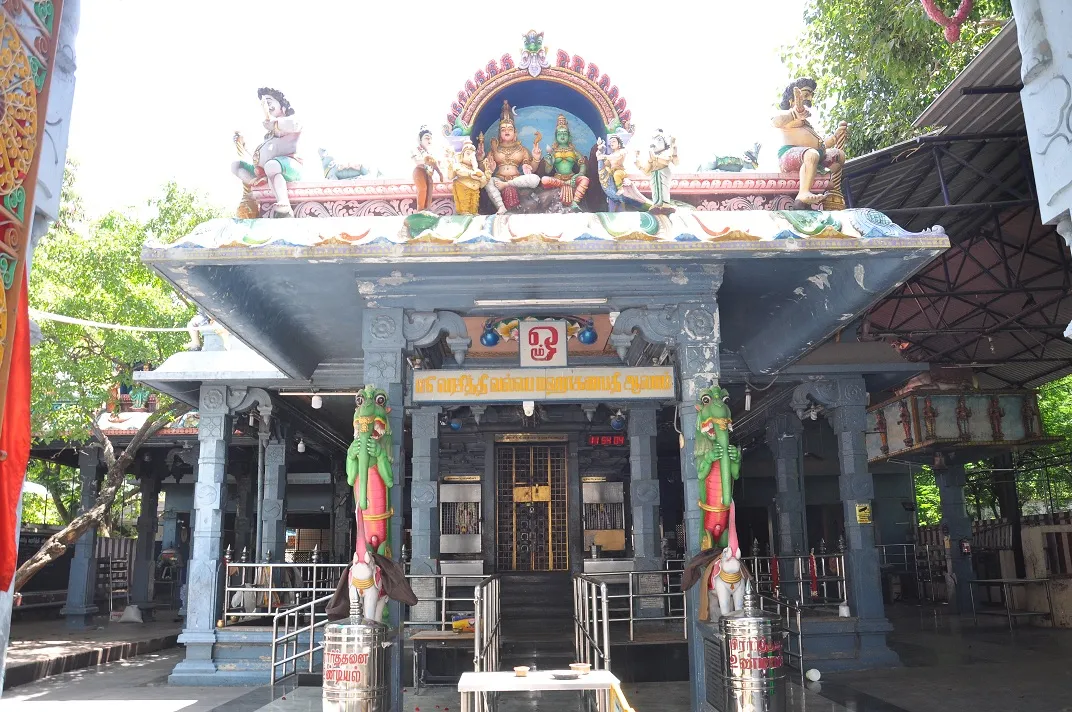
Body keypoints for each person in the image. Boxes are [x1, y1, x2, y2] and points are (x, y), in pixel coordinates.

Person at [771, 77, 847, 206]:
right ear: (791, 101)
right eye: (805, 95)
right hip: (790, 156)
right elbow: (776, 122)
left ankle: (824, 185)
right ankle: (803, 193)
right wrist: (794, 114)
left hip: (812, 157)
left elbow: (821, 145)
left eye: (810, 96)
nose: (809, 99)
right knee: (811, 154)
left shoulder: (806, 124)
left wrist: (835, 137)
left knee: (838, 154)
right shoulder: (789, 118)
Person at [231, 88, 303, 218]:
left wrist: (273, 123)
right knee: (236, 166)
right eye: (264, 103)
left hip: (290, 166)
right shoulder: (269, 135)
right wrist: (243, 145)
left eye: (269, 101)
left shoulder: (292, 121)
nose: (266, 105)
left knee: (271, 165)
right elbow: (258, 156)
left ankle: (284, 205)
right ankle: (256, 183)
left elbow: (292, 125)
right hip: (266, 170)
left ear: (283, 106)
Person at [411, 126, 444, 212]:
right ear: (420, 140)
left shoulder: (430, 153)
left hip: (428, 173)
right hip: (420, 171)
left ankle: (426, 210)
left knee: (429, 192)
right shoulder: (416, 149)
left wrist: (439, 171)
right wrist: (428, 161)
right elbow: (417, 161)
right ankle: (420, 210)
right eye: (426, 138)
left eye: (430, 138)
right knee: (422, 189)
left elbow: (435, 164)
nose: (429, 140)